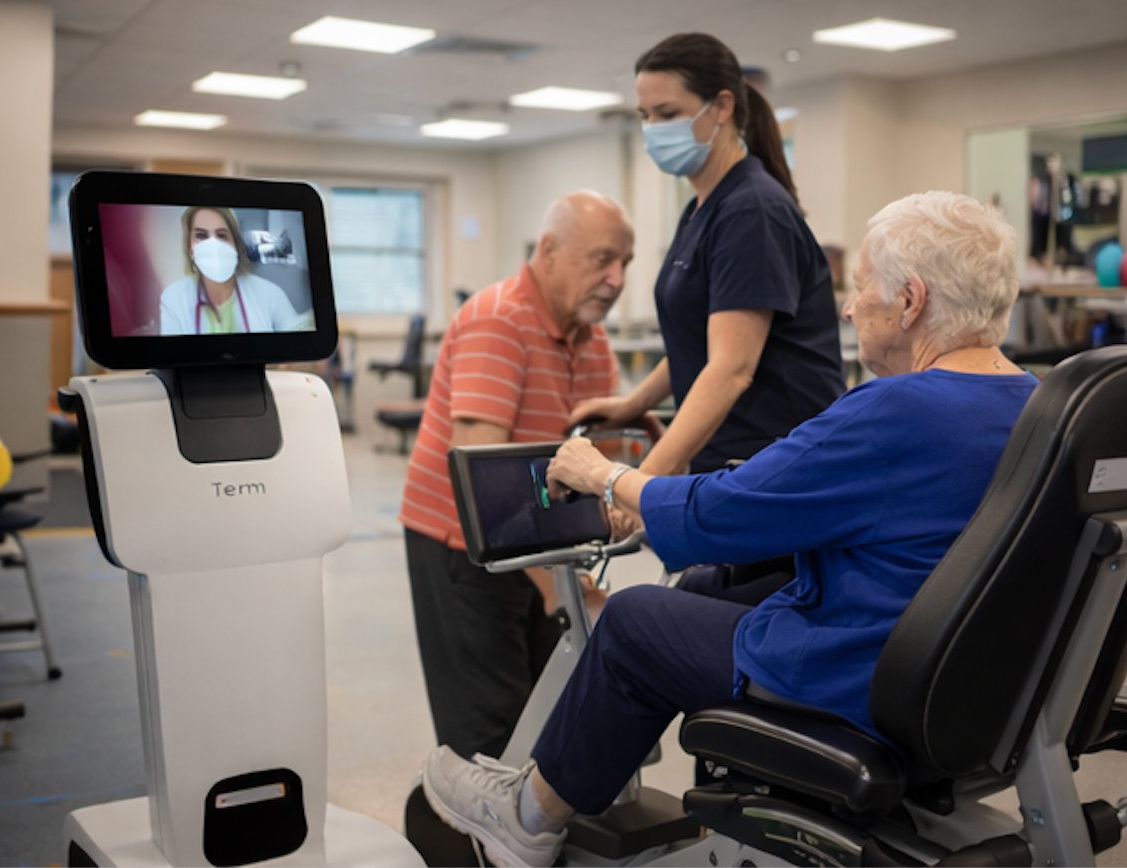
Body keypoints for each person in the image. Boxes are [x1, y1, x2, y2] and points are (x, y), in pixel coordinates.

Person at [419, 191, 1038, 868]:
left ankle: (528, 818)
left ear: (911, 301)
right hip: (966, 672)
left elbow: (720, 515)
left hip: (860, 674)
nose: (850, 307)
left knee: (634, 620)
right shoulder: (1033, 403)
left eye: (860, 288)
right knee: (712, 585)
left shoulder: (898, 407)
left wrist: (604, 477)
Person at [399, 191, 635, 760]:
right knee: (488, 729)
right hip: (464, 544)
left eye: (626, 263)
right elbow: (481, 486)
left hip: (539, 546)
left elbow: (604, 448)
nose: (617, 278)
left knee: (544, 711)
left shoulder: (592, 336)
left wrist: (627, 494)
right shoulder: (497, 320)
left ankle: (529, 835)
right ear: (548, 251)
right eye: (602, 259)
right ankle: (474, 838)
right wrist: (562, 584)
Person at [572, 33, 845, 492]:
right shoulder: (704, 207)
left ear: (721, 107)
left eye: (668, 114)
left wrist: (639, 483)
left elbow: (730, 367)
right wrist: (633, 403)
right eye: (645, 116)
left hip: (774, 466)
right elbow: (698, 339)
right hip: (730, 460)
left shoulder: (750, 210)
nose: (653, 129)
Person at [159, 206, 304, 335]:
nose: (213, 245)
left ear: (235, 244)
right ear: (189, 248)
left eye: (222, 235)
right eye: (201, 236)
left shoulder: (271, 295)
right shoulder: (174, 297)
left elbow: (302, 352)